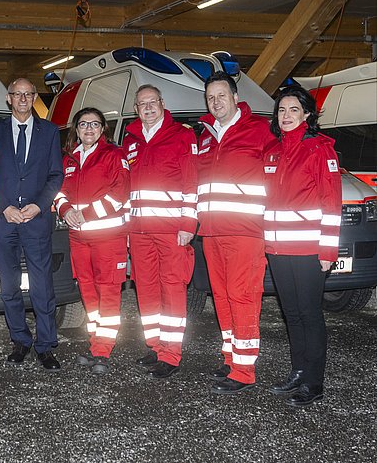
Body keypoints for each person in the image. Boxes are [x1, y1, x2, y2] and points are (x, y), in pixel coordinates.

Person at [197, 71, 276, 394]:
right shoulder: (204, 134)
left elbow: (276, 176)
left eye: (221, 96)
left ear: (235, 97)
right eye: (210, 97)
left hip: (246, 232)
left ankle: (245, 369)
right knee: (222, 298)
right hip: (212, 232)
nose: (216, 102)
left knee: (243, 297)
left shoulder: (260, 131)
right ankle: (231, 357)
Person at [264, 86, 341, 407]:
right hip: (279, 249)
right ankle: (298, 372)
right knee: (291, 314)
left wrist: (328, 251)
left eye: (294, 110)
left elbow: (331, 203)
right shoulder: (274, 150)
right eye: (282, 110)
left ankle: (314, 381)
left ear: (307, 114)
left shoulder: (320, 150)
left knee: (310, 315)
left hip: (309, 250)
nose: (286, 116)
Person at [0, 78, 64, 371]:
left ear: (34, 97)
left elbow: (56, 175)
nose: (22, 99)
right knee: (9, 286)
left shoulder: (49, 131)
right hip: (4, 220)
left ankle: (45, 345)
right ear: (8, 98)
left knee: (42, 286)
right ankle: (20, 340)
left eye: (27, 94)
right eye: (17, 94)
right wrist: (3, 206)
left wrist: (39, 205)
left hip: (36, 220)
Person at [123, 85, 198, 379]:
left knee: (172, 289)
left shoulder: (182, 135)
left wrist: (187, 225)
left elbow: (192, 184)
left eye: (152, 102)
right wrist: (129, 229)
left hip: (171, 232)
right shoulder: (131, 141)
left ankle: (171, 353)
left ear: (162, 103)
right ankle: (155, 345)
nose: (148, 108)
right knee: (147, 289)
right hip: (140, 232)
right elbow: (128, 190)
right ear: (136, 109)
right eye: (142, 104)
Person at [54, 108, 130, 374]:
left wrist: (82, 214)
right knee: (87, 291)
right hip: (79, 238)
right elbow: (59, 191)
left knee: (108, 292)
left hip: (108, 238)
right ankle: (95, 342)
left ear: (102, 129)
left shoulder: (114, 155)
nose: (89, 129)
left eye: (94, 124)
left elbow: (118, 195)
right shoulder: (70, 159)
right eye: (83, 124)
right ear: (76, 129)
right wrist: (65, 211)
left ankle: (103, 349)